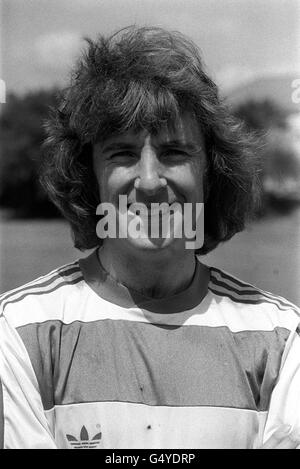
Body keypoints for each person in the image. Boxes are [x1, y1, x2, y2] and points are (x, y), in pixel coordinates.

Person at [0, 26, 300, 450]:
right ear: (90, 176)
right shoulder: (17, 332)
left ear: (212, 174)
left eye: (174, 152)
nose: (149, 181)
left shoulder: (283, 340)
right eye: (122, 153)